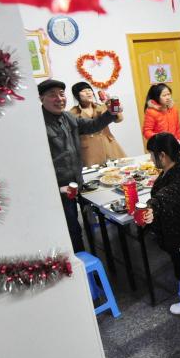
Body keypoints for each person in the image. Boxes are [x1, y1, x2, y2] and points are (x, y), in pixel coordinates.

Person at [38, 79, 117, 252]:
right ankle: (79, 260)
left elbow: (92, 125)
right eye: (52, 95)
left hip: (77, 180)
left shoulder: (68, 117)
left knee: (86, 222)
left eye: (61, 94)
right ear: (41, 98)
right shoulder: (38, 124)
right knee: (71, 228)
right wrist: (56, 188)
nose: (59, 98)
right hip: (60, 188)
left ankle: (92, 254)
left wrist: (111, 112)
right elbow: (37, 163)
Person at [143, 133, 180, 315]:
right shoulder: (171, 170)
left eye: (151, 154)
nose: (151, 159)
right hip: (172, 232)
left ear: (162, 155)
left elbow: (166, 195)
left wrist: (152, 206)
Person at [68, 81, 126, 166]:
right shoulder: (72, 113)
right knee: (95, 172)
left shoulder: (102, 106)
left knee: (118, 170)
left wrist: (114, 106)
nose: (88, 92)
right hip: (89, 150)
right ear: (76, 95)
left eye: (89, 90)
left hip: (108, 145)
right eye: (83, 91)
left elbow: (119, 119)